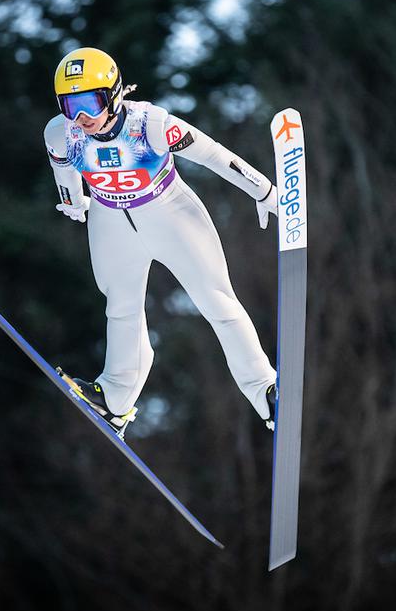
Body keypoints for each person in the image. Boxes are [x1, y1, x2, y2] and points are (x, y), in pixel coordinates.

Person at [44, 47, 278, 438]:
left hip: (168, 211)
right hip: (110, 219)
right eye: (70, 106)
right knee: (120, 308)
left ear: (114, 93)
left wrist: (264, 191)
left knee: (216, 300)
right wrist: (74, 203)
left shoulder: (150, 123)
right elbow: (64, 170)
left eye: (90, 103)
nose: (81, 117)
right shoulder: (59, 132)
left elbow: (213, 155)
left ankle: (266, 390)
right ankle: (115, 399)